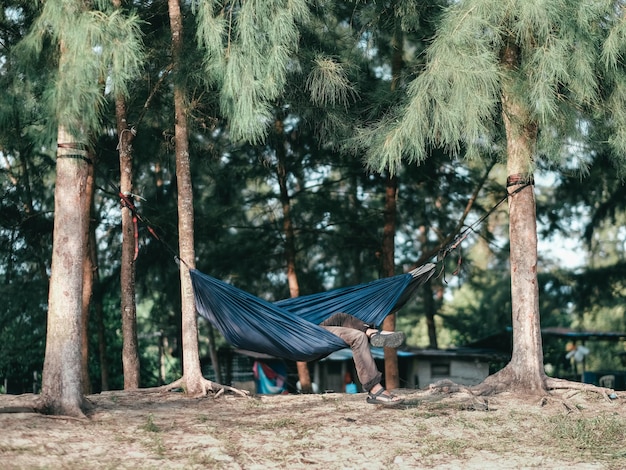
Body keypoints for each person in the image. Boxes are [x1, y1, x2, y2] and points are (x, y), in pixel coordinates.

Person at [320, 312, 405, 405]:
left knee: (340, 317)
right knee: (358, 337)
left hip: (309, 326)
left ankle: (372, 333)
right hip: (305, 333)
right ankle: (375, 390)